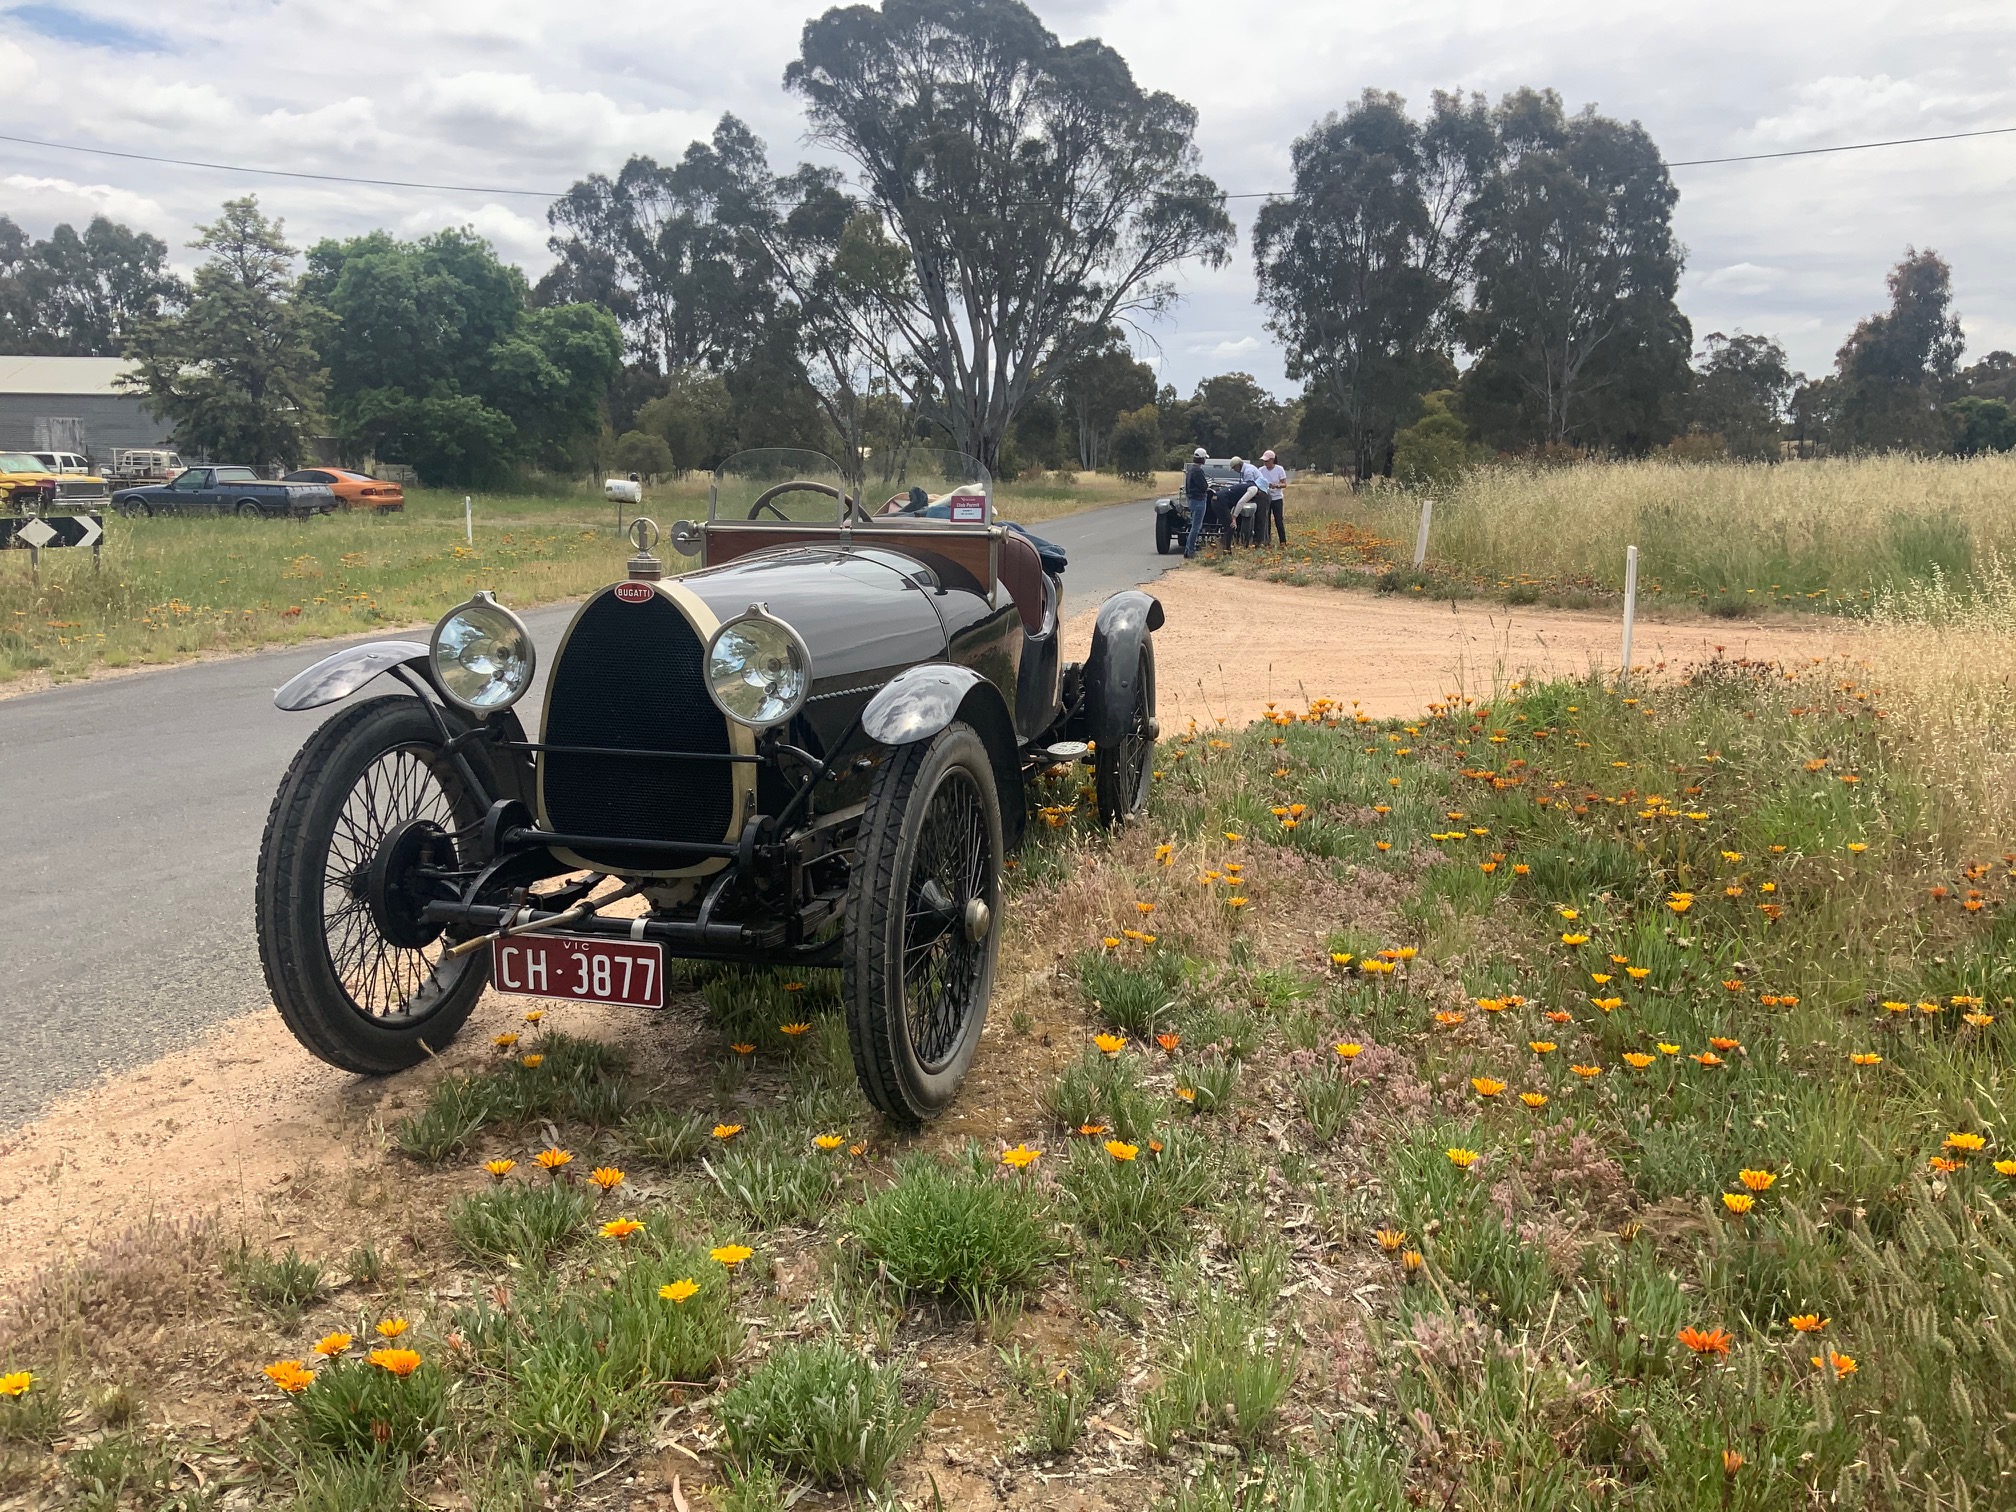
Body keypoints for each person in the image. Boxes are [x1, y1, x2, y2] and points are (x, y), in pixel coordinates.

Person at [1181, 447, 1213, 558]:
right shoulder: (1198, 471)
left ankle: (1187, 550)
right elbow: (1204, 486)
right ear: (1202, 459)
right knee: (1196, 527)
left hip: (1191, 500)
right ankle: (1191, 550)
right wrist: (1207, 486)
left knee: (1193, 526)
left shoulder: (1191, 470)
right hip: (1199, 500)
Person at [1256, 449, 1288, 545]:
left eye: (1267, 461)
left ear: (1272, 460)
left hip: (1277, 498)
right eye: (1264, 461)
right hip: (1265, 498)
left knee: (1278, 520)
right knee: (1266, 521)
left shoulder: (1279, 469)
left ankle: (1283, 541)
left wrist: (1277, 485)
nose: (1265, 463)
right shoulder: (1261, 470)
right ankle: (1267, 540)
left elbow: (1284, 484)